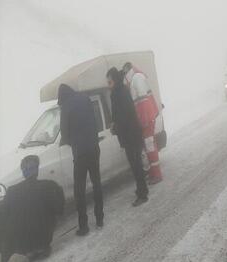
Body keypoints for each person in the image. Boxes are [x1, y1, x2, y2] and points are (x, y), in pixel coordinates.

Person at [0, 155, 64, 262]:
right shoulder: (50, 185)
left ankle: (25, 248)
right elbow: (59, 210)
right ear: (37, 170)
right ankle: (40, 247)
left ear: (23, 172)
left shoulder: (11, 191)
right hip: (42, 239)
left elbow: (2, 217)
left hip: (18, 246)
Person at [58, 84, 103, 236]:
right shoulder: (85, 98)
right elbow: (94, 120)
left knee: (80, 190)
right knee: (97, 183)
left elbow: (64, 134)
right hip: (94, 148)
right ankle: (100, 219)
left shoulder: (65, 107)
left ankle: (84, 226)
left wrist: (73, 141)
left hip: (80, 153)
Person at [107, 67, 149, 207]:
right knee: (135, 165)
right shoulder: (121, 90)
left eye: (109, 82)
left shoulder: (119, 93)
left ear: (115, 80)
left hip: (130, 135)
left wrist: (115, 127)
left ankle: (143, 194)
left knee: (136, 165)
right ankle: (141, 189)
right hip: (131, 134)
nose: (108, 85)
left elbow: (124, 116)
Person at [123, 62, 163, 185]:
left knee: (150, 146)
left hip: (147, 119)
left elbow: (143, 101)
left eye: (124, 73)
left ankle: (157, 175)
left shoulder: (136, 79)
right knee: (148, 146)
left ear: (127, 72)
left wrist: (144, 120)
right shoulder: (136, 78)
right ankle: (152, 172)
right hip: (147, 118)